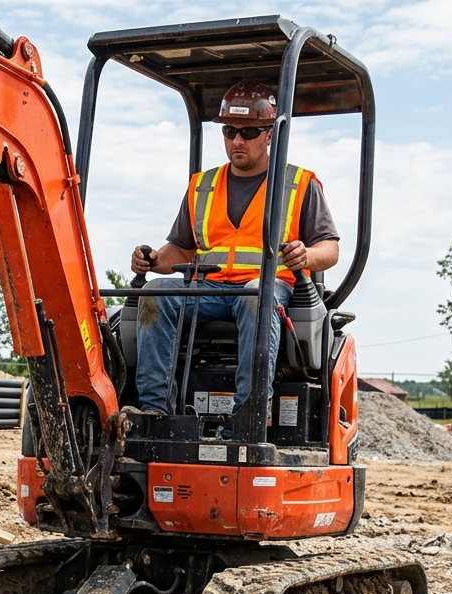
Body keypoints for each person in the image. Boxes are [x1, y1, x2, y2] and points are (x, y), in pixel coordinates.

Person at [130, 80, 340, 414]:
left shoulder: (299, 184)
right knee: (155, 294)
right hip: (208, 289)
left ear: (269, 134)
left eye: (248, 133)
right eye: (229, 132)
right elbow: (182, 251)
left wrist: (307, 255)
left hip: (267, 290)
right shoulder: (203, 186)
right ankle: (155, 413)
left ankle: (248, 417)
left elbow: (330, 248)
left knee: (256, 296)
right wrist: (152, 260)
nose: (237, 141)